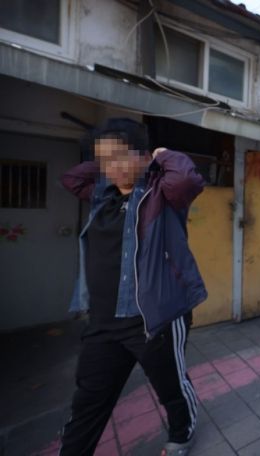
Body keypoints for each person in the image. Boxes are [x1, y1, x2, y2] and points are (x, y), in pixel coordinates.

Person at [59, 118, 207, 456]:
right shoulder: (101, 195)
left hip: (154, 319)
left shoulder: (163, 194)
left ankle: (182, 432)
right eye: (104, 161)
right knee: (89, 399)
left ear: (142, 157)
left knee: (170, 386)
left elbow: (187, 178)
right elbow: (72, 178)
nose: (113, 167)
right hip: (103, 322)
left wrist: (162, 153)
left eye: (121, 156)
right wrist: (105, 156)